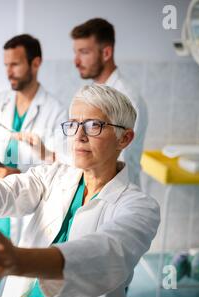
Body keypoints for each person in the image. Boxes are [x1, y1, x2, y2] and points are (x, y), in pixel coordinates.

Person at [0, 83, 160, 297]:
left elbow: (107, 255)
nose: (79, 136)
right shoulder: (53, 176)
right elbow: (4, 191)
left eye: (94, 125)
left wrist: (16, 260)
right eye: (73, 125)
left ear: (124, 138)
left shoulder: (141, 208)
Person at [0, 34, 67, 297]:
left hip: (28, 210)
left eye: (15, 65)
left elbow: (61, 168)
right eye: (5, 65)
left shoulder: (57, 111)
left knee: (21, 286)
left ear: (36, 63)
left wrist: (18, 175)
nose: (8, 72)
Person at [70, 18, 148, 187]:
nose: (76, 61)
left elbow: (116, 160)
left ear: (106, 53)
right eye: (75, 53)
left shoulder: (126, 99)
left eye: (84, 52)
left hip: (116, 191)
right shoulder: (90, 93)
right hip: (92, 187)